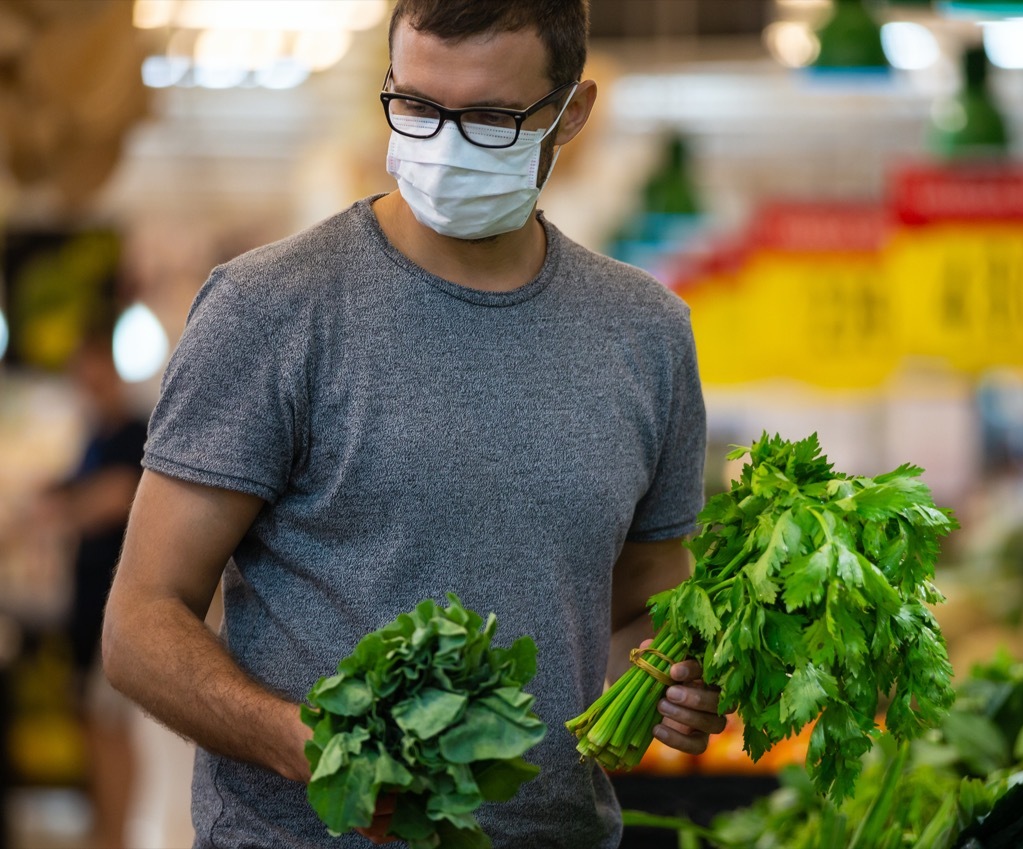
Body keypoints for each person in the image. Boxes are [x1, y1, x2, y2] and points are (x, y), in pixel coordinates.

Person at [101, 1, 726, 846]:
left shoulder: (646, 333)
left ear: (571, 113)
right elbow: (140, 623)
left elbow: (638, 604)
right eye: (420, 107)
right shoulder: (273, 309)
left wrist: (671, 686)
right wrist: (304, 743)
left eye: (492, 119)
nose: (445, 145)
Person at [37, 331, 146, 849]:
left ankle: (118, 832)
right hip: (84, 604)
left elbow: (118, 496)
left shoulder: (132, 431)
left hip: (114, 600)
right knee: (92, 724)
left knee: (111, 729)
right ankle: (106, 825)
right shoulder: (94, 435)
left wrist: (63, 515)